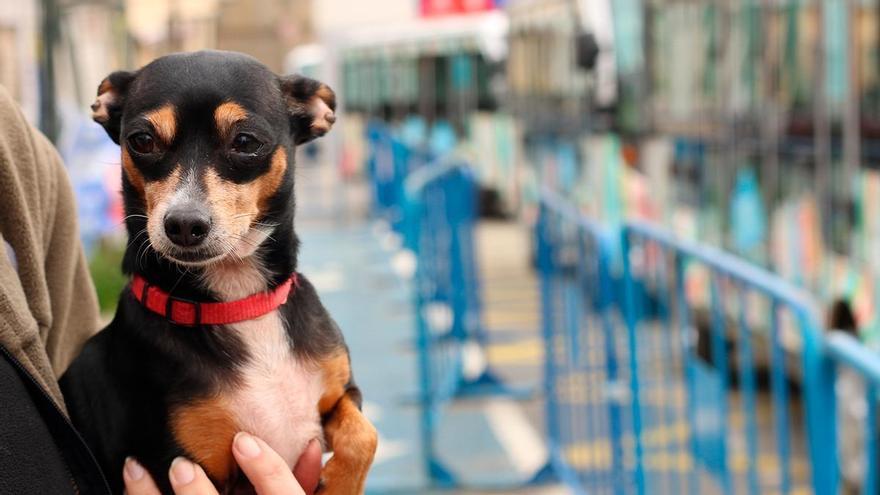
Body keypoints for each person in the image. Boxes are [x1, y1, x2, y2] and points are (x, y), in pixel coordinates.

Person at [0, 84, 321, 494]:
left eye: (244, 142)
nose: (185, 210)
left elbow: (66, 347)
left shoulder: (18, 152)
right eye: (146, 142)